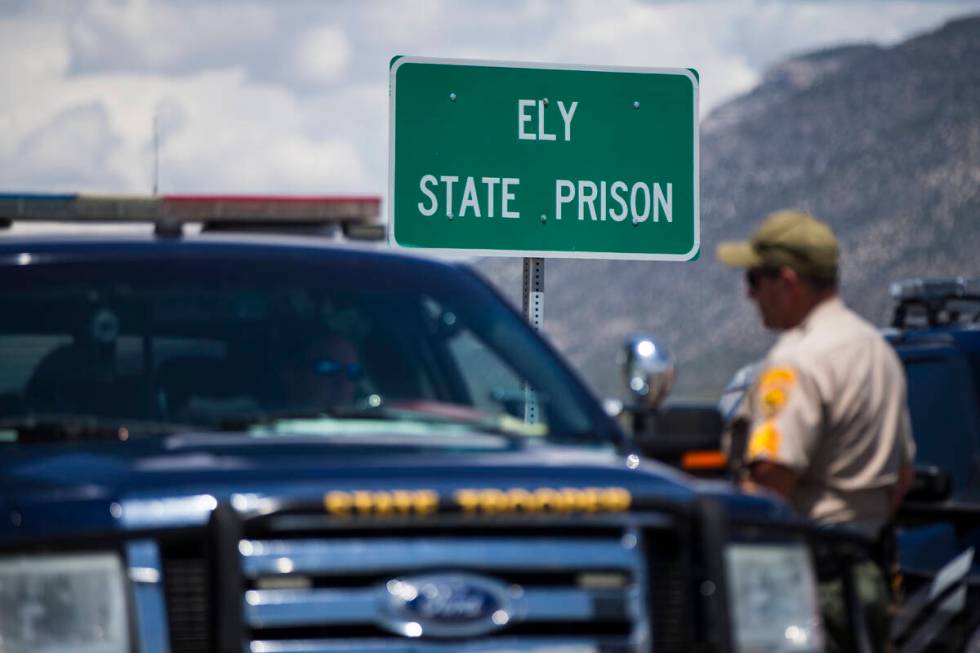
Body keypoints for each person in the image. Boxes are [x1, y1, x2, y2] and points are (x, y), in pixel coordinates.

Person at [716, 209, 916, 652]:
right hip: (867, 577)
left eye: (754, 280)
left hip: (807, 585)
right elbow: (902, 478)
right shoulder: (878, 352)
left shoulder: (796, 361)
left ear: (787, 282)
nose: (750, 296)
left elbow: (771, 487)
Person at [282, 329, 362, 411]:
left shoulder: (368, 421)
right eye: (328, 369)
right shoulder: (274, 420)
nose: (342, 382)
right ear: (293, 374)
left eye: (352, 372)